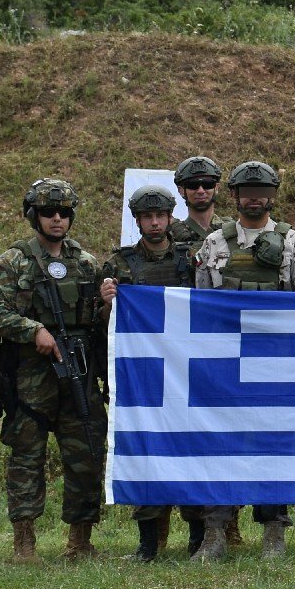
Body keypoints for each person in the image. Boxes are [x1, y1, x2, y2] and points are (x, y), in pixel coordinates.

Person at [192, 160, 295, 559]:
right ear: (236, 197)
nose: (255, 198)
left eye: (262, 191)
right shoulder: (214, 245)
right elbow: (201, 304)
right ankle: (215, 532)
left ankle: (273, 533)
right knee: (220, 443)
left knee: (272, 445)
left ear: (273, 196)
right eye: (247, 191)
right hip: (226, 361)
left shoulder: (294, 243)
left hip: (275, 362)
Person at [0, 178, 111, 563]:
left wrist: (106, 304)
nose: (57, 219)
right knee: (26, 456)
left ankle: (81, 540)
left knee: (86, 452)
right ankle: (24, 542)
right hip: (31, 375)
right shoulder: (12, 262)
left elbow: (96, 321)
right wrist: (32, 329)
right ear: (33, 216)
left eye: (64, 213)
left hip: (79, 370)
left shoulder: (86, 263)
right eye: (48, 212)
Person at [102, 184, 195, 562]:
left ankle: (198, 536)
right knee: (147, 451)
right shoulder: (120, 264)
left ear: (171, 217)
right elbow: (106, 324)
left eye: (160, 216)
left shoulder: (192, 260)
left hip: (189, 368)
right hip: (145, 373)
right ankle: (148, 543)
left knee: (190, 450)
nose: (155, 223)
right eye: (147, 217)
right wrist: (106, 302)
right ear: (137, 220)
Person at [164, 156, 224, 552]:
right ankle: (195, 528)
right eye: (192, 184)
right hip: (183, 351)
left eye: (207, 183)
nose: (200, 189)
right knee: (189, 440)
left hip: (224, 348)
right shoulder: (167, 236)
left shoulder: (231, 235)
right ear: (182, 190)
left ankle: (227, 525)